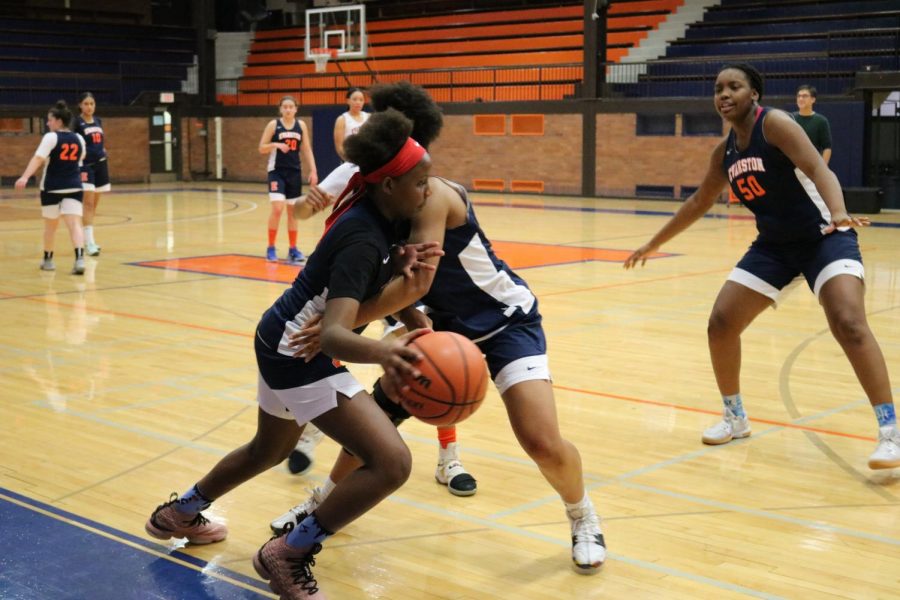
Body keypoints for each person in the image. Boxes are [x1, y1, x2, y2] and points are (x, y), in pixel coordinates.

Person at [271, 81, 606, 575]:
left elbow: (416, 281)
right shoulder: (375, 194)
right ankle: (320, 503)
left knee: (539, 439)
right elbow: (401, 290)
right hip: (440, 323)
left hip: (502, 321)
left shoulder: (429, 195)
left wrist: (335, 325)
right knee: (376, 423)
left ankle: (583, 516)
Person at [144, 109, 444, 599]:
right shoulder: (364, 237)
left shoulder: (385, 219)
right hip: (298, 354)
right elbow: (332, 336)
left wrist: (410, 306)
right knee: (392, 462)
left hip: (278, 337)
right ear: (388, 184)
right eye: (421, 181)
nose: (429, 191)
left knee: (271, 449)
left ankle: (178, 514)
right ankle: (288, 553)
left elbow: (365, 296)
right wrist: (387, 353)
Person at [624, 63, 899, 469]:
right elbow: (700, 202)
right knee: (721, 322)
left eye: (734, 86)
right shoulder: (725, 153)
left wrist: (839, 213)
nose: (724, 94)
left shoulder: (777, 125)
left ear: (754, 93)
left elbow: (819, 169)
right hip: (774, 246)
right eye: (718, 88)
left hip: (823, 235)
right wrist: (654, 242)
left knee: (849, 321)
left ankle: (890, 432)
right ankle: (735, 417)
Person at [283, 87, 371, 476]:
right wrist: (309, 202)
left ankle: (447, 455)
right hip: (350, 275)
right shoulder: (350, 171)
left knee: (429, 347)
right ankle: (307, 434)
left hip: (391, 276)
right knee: (317, 351)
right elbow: (302, 212)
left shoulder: (413, 174)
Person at [16, 100, 86, 275]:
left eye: (50, 120)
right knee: (75, 225)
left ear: (58, 121)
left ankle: (48, 260)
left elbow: (38, 158)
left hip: (52, 187)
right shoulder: (79, 138)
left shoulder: (51, 137)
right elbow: (80, 159)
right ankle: (79, 260)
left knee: (50, 226)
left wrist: (25, 176)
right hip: (74, 187)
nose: (48, 123)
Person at [259, 95, 317, 264]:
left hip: (294, 172)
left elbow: (306, 148)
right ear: (280, 109)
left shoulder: (301, 126)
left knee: (293, 212)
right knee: (277, 209)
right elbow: (261, 147)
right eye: (285, 107)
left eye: (291, 107)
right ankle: (270, 247)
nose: (288, 109)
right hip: (276, 172)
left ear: (296, 109)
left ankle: (293, 248)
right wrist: (275, 145)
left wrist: (313, 170)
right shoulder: (273, 125)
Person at [74, 92, 110, 256]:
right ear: (80, 105)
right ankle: (89, 243)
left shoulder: (98, 121)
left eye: (92, 103)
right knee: (87, 204)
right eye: (86, 103)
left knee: (93, 206)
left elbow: (99, 141)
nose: (89, 107)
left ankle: (85, 237)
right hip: (85, 166)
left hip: (101, 165)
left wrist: (102, 150)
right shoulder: (76, 123)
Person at [793, 85, 832, 165]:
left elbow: (827, 147)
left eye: (805, 96)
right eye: (799, 96)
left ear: (813, 99)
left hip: (812, 167)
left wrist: (823, 168)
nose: (800, 99)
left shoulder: (821, 121)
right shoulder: (790, 118)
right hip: (792, 166)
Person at [333, 87, 369, 161]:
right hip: (350, 161)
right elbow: (339, 147)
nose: (358, 102)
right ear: (348, 101)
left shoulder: (368, 117)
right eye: (355, 99)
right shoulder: (342, 120)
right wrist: (349, 161)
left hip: (367, 161)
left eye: (361, 100)